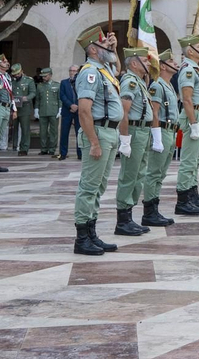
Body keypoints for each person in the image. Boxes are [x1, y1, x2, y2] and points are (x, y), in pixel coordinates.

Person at [72, 33, 127, 255]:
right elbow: (84, 110)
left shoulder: (103, 71)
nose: (108, 46)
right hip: (99, 132)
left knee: (99, 187)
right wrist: (94, 142)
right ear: (93, 49)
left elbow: (117, 71)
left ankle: (92, 233)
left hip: (110, 132)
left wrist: (115, 47)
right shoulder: (90, 72)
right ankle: (82, 237)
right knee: (89, 186)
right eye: (103, 43)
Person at [112, 50, 157, 236]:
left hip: (143, 131)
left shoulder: (140, 82)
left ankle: (129, 216)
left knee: (139, 174)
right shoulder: (129, 81)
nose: (150, 62)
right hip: (135, 131)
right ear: (134, 64)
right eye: (145, 60)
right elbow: (124, 111)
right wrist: (125, 139)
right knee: (130, 175)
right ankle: (122, 220)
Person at [172, 35, 199, 216]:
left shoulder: (197, 70)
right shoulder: (188, 69)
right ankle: (182, 199)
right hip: (194, 115)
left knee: (196, 159)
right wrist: (193, 123)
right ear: (190, 51)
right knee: (188, 161)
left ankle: (192, 193)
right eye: (198, 47)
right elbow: (186, 98)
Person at [141, 51, 182, 228]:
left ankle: (154, 209)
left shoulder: (168, 85)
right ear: (163, 66)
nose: (176, 63)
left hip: (170, 131)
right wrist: (156, 136)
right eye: (171, 61)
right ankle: (149, 212)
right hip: (162, 130)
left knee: (161, 173)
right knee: (154, 173)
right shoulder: (157, 85)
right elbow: (154, 111)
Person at [10, 62, 36, 156]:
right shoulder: (11, 81)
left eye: (17, 73)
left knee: (25, 129)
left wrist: (26, 98)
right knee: (14, 128)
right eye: (14, 74)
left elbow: (33, 93)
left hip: (25, 107)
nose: (16, 75)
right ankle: (14, 145)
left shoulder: (29, 80)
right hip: (14, 107)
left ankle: (24, 148)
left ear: (21, 71)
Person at [58, 66, 81, 159]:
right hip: (67, 110)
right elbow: (62, 95)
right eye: (71, 71)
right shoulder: (64, 82)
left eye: (74, 71)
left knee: (79, 133)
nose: (72, 72)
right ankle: (63, 153)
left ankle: (80, 154)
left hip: (79, 110)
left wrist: (77, 105)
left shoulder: (81, 82)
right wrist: (70, 105)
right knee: (64, 133)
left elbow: (83, 94)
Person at [33, 68, 57, 155]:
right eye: (42, 76)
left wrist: (60, 109)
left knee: (53, 131)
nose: (43, 78)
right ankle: (43, 148)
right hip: (43, 111)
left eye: (45, 76)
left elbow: (59, 99)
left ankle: (52, 148)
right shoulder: (40, 86)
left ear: (50, 75)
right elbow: (38, 99)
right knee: (43, 131)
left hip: (53, 110)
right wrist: (36, 109)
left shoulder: (57, 85)